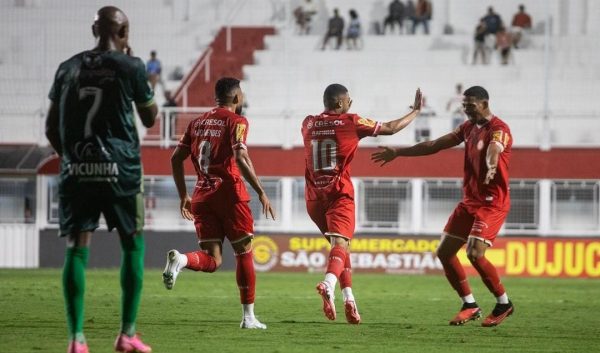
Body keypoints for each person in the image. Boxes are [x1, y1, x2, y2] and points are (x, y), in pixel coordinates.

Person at [45, 6, 158, 353]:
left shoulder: (68, 67)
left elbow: (51, 127)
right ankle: (127, 334)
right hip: (120, 171)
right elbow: (151, 118)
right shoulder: (131, 66)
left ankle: (76, 339)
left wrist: (74, 160)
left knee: (77, 248)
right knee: (132, 244)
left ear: (94, 28)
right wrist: (133, 61)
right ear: (124, 33)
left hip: (76, 169)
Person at [372, 86, 514, 327]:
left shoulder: (499, 129)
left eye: (470, 104)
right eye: (464, 104)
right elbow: (435, 144)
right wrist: (398, 152)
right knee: (445, 253)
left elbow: (494, 149)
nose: (465, 108)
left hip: (492, 202)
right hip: (470, 200)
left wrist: (491, 165)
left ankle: (504, 303)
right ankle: (469, 304)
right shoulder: (468, 128)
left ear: (484, 104)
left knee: (474, 253)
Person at [303, 84, 422, 324]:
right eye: (348, 100)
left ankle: (349, 299)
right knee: (340, 244)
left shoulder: (307, 123)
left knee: (341, 248)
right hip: (338, 194)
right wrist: (416, 112)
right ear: (339, 103)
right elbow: (390, 128)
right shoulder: (350, 121)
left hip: (313, 197)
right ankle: (328, 284)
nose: (351, 103)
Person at [163, 77, 275, 330]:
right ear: (236, 98)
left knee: (212, 260)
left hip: (202, 196)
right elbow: (240, 156)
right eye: (242, 93)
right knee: (243, 252)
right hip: (230, 195)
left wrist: (184, 195)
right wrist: (260, 191)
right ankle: (248, 318)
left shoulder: (196, 122)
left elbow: (175, 158)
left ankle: (181, 260)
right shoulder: (237, 121)